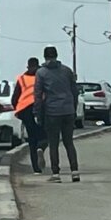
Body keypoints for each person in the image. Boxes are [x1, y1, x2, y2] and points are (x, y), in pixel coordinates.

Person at [34, 46, 79, 183]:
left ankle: (56, 174)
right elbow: (75, 92)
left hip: (52, 112)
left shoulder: (41, 73)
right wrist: (73, 108)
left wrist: (37, 113)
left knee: (53, 143)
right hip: (68, 111)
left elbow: (37, 95)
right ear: (57, 55)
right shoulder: (67, 71)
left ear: (45, 57)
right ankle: (75, 171)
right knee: (69, 142)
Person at [10, 57, 46, 173]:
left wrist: (19, 110)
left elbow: (14, 98)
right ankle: (41, 148)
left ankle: (36, 168)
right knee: (45, 135)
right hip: (40, 108)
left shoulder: (22, 78)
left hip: (25, 110)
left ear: (28, 66)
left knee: (31, 139)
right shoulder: (42, 76)